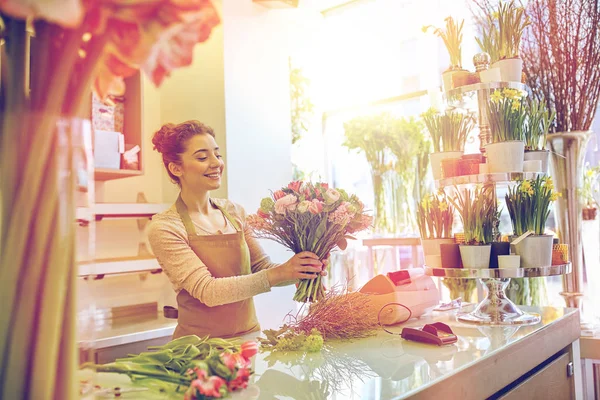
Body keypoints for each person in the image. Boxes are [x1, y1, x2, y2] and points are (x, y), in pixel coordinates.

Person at [147, 120, 326, 339]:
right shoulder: (166, 227)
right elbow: (208, 291)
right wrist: (280, 273)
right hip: (199, 349)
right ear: (176, 168)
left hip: (248, 339)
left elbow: (263, 267)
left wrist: (302, 268)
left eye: (217, 155)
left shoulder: (234, 212)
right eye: (202, 157)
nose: (216, 163)